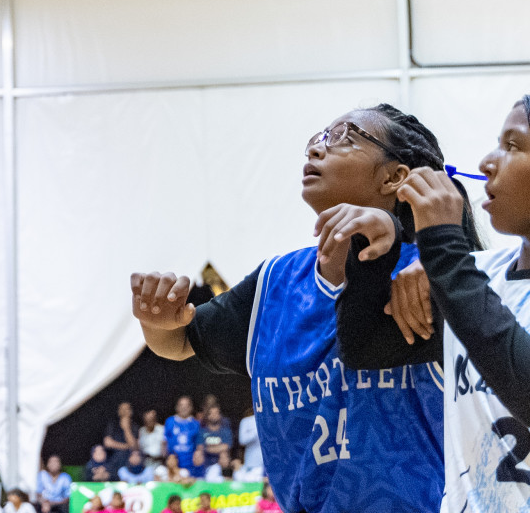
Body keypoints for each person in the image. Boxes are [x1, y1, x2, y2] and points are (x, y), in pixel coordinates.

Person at [130, 105, 470, 513]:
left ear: (393, 177)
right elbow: (181, 342)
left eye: (344, 137)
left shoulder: (427, 272)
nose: (316, 150)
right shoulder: (274, 282)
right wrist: (158, 324)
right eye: (317, 138)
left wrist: (440, 266)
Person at [332, 93, 530, 511]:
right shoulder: (479, 272)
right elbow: (364, 348)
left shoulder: (459, 271)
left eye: (513, 145)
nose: (487, 162)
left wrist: (444, 251)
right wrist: (374, 252)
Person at [163, 396, 201, 470]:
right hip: (173, 464)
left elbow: (199, 445)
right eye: (181, 405)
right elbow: (165, 441)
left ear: (191, 408)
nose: (184, 408)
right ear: (177, 407)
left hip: (191, 465)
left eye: (187, 406)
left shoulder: (196, 424)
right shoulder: (169, 421)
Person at [101, 401, 136, 473]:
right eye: (122, 409)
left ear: (131, 411)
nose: (124, 412)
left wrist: (126, 429)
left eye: (126, 409)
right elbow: (107, 443)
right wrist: (126, 446)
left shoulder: (135, 426)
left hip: (129, 459)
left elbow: (134, 446)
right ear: (119, 411)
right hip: (113, 458)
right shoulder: (112, 425)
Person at [237, 405, 261, 477]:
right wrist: (256, 431)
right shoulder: (246, 421)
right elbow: (242, 440)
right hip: (252, 463)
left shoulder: (271, 420)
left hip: (268, 463)